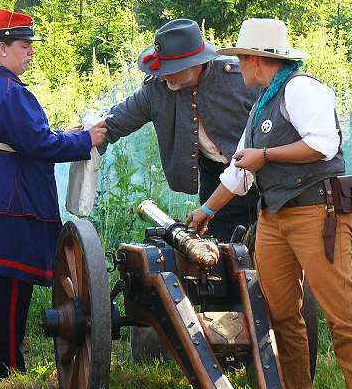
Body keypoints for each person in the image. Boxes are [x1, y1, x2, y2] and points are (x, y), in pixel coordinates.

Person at [187, 18, 352, 389]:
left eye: (242, 58)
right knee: (280, 315)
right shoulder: (262, 104)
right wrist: (206, 210)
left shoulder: (302, 90)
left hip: (319, 213)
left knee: (342, 314)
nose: (238, 65)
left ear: (258, 60)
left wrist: (264, 155)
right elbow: (239, 172)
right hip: (275, 218)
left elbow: (323, 144)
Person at [0, 9, 107, 380]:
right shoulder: (10, 91)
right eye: (23, 45)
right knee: (9, 285)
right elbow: (37, 144)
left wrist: (62, 135)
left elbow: (22, 138)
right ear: (1, 49)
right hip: (5, 203)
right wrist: (85, 139)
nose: (30, 52)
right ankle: (4, 370)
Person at [102, 19, 261, 243]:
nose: (165, 75)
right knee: (220, 256)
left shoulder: (238, 78)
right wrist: (80, 136)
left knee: (270, 254)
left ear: (197, 62)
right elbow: (116, 121)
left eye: (172, 69)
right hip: (215, 182)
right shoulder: (156, 90)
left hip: (263, 180)